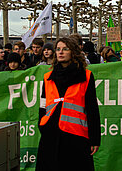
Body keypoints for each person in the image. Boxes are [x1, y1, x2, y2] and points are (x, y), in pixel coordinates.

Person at [36, 37, 101, 170]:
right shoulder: (48, 77)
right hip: (51, 135)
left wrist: (94, 138)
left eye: (65, 49)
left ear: (73, 52)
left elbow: (92, 109)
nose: (60, 52)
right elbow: (43, 105)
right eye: (58, 49)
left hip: (76, 136)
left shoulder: (87, 76)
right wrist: (42, 124)